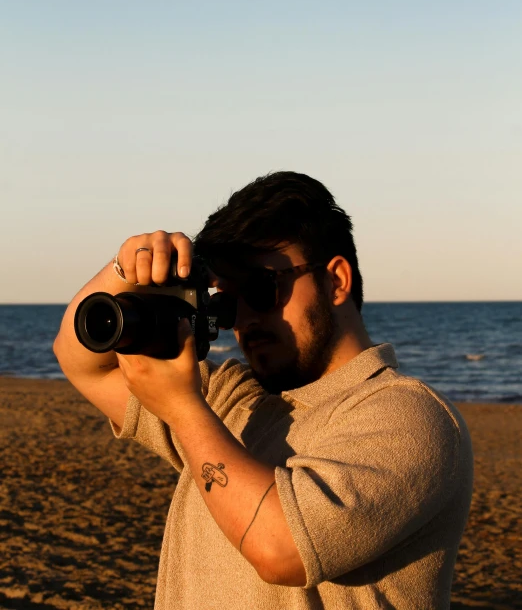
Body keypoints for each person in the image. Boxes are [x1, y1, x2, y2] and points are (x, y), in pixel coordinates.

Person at [54, 171, 473, 610]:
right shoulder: (231, 399)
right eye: (228, 303)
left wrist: (183, 410)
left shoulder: (410, 416)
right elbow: (78, 358)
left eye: (260, 289)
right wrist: (128, 268)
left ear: (336, 281)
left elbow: (281, 551)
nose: (245, 321)